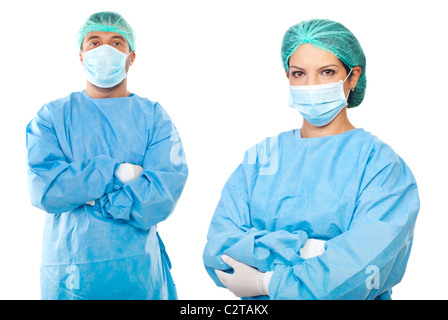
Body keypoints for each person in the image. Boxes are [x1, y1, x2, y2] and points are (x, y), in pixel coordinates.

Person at [203, 19, 419, 300]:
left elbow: (361, 268)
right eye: (299, 73)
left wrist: (267, 283)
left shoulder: (380, 165)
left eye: (327, 72)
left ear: (352, 77)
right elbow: (218, 250)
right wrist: (309, 250)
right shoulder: (262, 157)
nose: (311, 84)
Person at [26, 11, 188, 300]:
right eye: (94, 42)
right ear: (81, 55)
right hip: (68, 276)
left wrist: (83, 194)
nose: (105, 50)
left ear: (131, 57)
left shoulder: (154, 118)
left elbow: (161, 196)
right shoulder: (51, 117)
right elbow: (45, 190)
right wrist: (117, 174)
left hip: (138, 275)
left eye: (116, 43)